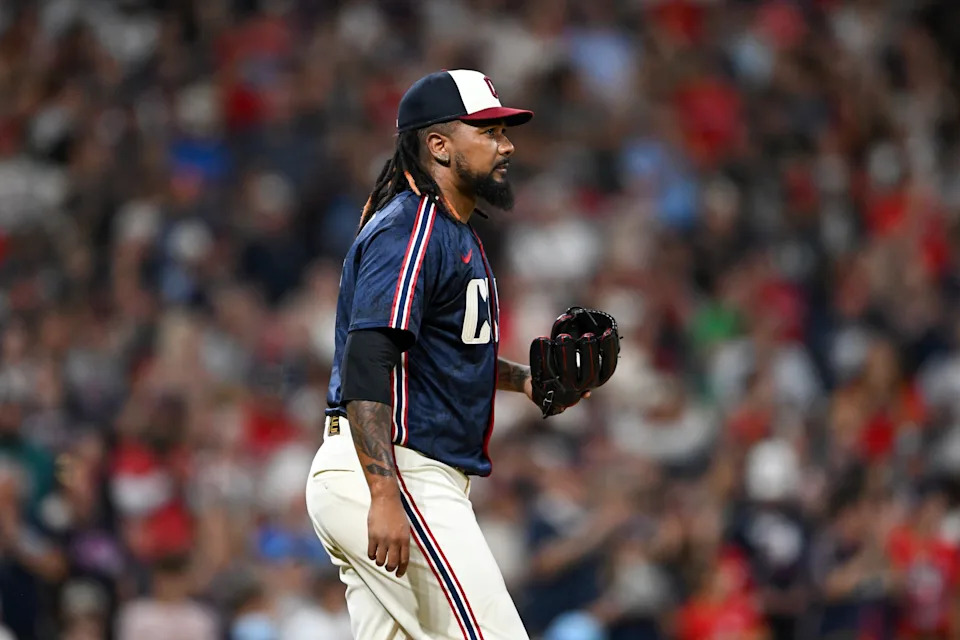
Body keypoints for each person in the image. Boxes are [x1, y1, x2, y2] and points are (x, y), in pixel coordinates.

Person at [304, 69, 577, 640]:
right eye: (489, 131)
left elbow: (437, 353)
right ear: (439, 146)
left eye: (504, 131)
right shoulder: (412, 225)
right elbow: (369, 357)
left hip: (402, 471)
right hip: (397, 468)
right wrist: (384, 492)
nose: (506, 145)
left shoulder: (452, 231)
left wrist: (525, 380)